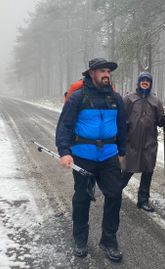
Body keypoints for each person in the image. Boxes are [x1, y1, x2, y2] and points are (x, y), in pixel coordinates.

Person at [55, 57, 127, 261]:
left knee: (114, 195)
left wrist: (122, 151)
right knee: (82, 198)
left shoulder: (116, 99)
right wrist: (64, 151)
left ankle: (109, 240)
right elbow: (64, 126)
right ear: (91, 73)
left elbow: (123, 127)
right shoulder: (78, 97)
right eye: (102, 71)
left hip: (109, 157)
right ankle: (80, 239)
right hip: (83, 157)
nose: (107, 75)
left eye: (109, 72)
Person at [121, 72, 165, 212]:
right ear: (139, 82)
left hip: (149, 142)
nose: (145, 82)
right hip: (132, 141)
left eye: (148, 80)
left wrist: (163, 120)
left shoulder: (156, 101)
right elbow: (121, 118)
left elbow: (160, 120)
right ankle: (114, 193)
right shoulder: (129, 99)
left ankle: (143, 200)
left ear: (150, 83)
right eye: (143, 80)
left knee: (148, 171)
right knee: (127, 170)